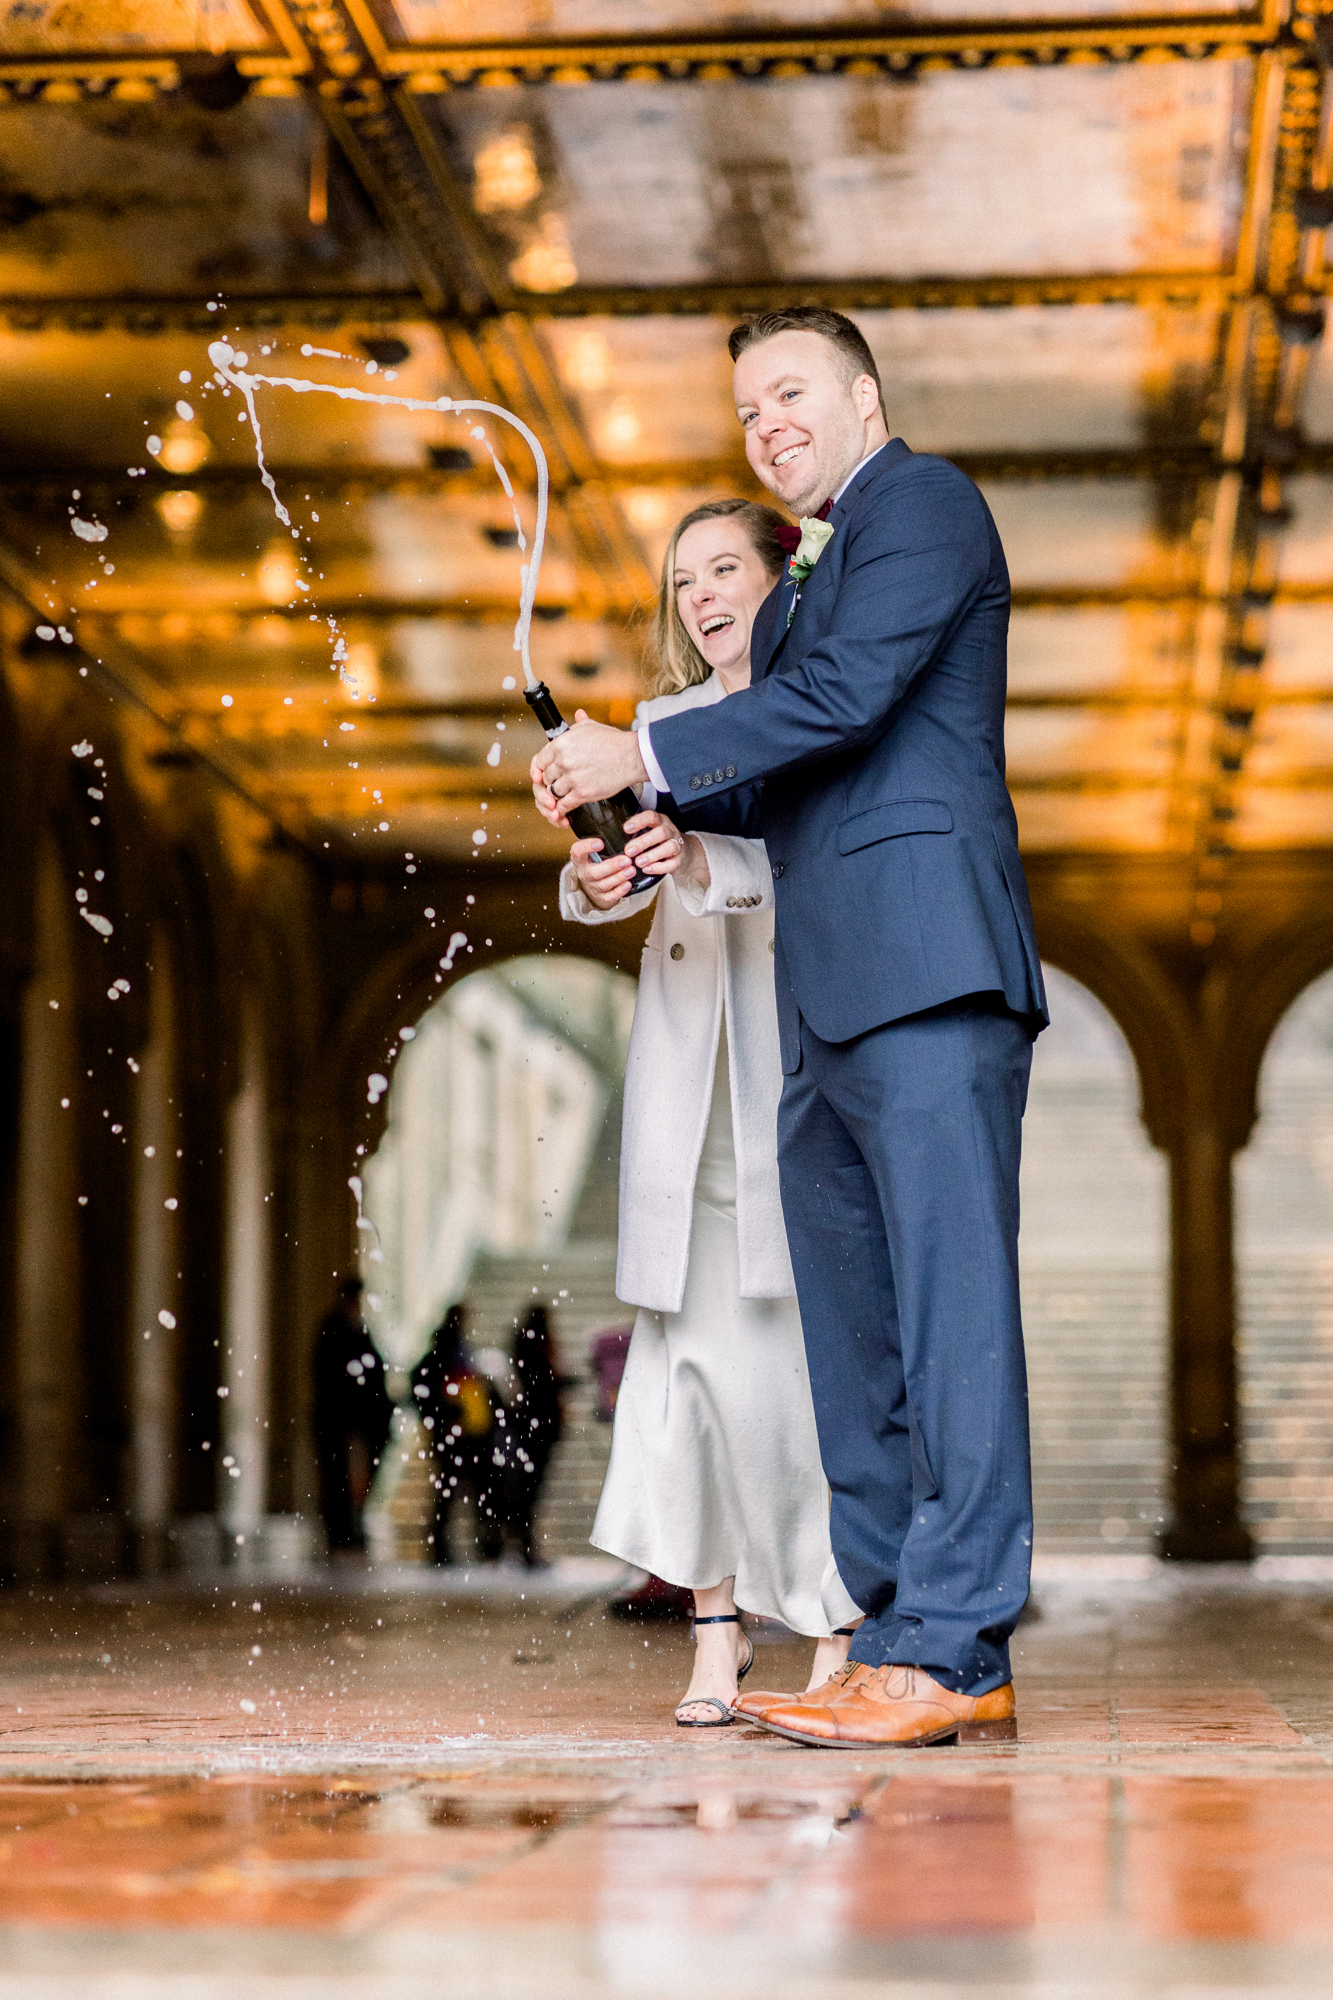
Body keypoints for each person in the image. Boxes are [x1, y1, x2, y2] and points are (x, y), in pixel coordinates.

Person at [533, 308, 1047, 1750]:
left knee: (949, 1325)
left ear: (864, 397)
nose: (767, 424)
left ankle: (954, 1649)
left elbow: (842, 700)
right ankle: (894, 1632)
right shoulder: (804, 584)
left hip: (930, 976)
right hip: (824, 1004)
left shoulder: (923, 507)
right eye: (748, 408)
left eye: (791, 394)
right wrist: (624, 830)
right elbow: (778, 774)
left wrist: (637, 747)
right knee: (855, 1342)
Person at [554, 496, 863, 1727]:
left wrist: (699, 860)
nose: (701, 595)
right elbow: (614, 884)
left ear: (778, 579)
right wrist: (597, 871)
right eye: (682, 581)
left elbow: (811, 865)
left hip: (787, 1079)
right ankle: (717, 1628)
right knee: (680, 1366)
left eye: (723, 567)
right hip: (687, 1089)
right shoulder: (655, 726)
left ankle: (835, 1625)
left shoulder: (820, 704)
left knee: (796, 1373)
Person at [411, 1304, 503, 1565]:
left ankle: (448, 1548)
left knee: (453, 1492)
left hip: (462, 1433)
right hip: (461, 1433)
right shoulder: (452, 1356)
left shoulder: (452, 1354)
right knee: (462, 1492)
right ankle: (475, 1546)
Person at [311, 1275, 392, 1558]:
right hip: (342, 1420)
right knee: (338, 1478)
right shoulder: (335, 1330)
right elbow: (333, 1377)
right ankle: (340, 1532)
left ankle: (349, 1529)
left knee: (355, 1477)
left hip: (358, 1421)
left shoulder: (358, 1330)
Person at [505, 1304, 568, 1568]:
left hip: (532, 1425)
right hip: (539, 1426)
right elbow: (542, 1383)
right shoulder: (536, 1349)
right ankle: (525, 1546)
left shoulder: (523, 1346)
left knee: (527, 1489)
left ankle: (522, 1544)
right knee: (530, 1490)